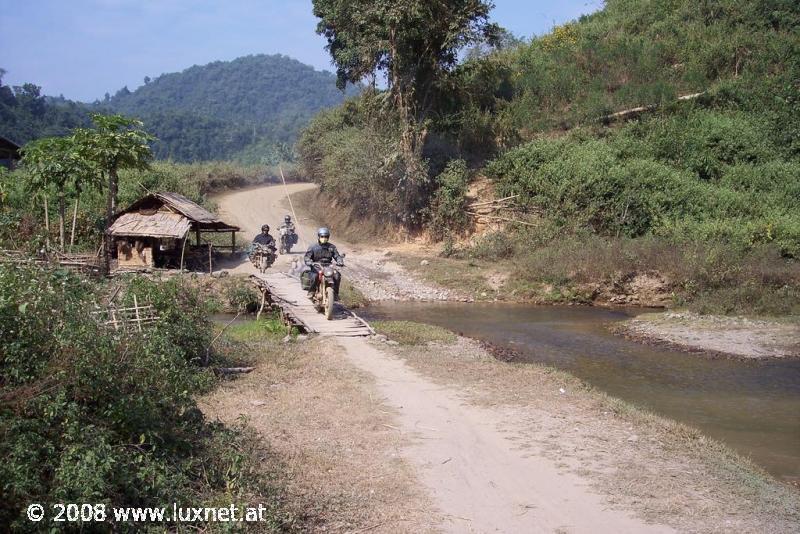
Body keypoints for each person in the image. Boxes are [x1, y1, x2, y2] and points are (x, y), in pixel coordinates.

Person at [303, 227, 344, 297]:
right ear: (319, 237)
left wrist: (340, 261)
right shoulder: (313, 246)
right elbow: (307, 257)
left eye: (326, 236)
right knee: (315, 276)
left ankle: (335, 293)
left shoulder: (332, 247)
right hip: (316, 266)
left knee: (337, 276)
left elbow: (337, 256)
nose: (324, 238)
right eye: (322, 236)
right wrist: (310, 262)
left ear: (328, 237)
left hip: (328, 266)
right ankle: (311, 291)